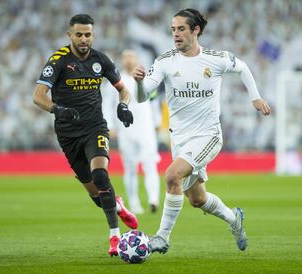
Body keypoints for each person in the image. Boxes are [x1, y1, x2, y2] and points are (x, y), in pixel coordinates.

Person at [133, 8, 271, 253]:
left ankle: (162, 237)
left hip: (208, 136)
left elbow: (242, 67)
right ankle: (233, 219)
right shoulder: (165, 61)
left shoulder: (215, 59)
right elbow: (143, 97)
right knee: (197, 200)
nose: (175, 34)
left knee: (172, 175)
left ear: (196, 30)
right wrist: (140, 83)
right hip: (180, 139)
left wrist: (255, 98)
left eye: (181, 29)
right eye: (173, 29)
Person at [32, 14, 138, 257]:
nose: (83, 39)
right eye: (78, 34)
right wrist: (57, 109)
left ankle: (114, 238)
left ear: (93, 35)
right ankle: (118, 204)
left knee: (101, 176)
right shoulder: (58, 61)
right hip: (68, 135)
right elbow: (38, 96)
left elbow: (124, 90)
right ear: (69, 35)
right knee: (97, 195)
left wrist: (123, 106)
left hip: (95, 128)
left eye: (87, 34)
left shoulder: (101, 60)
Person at [102, 50, 160, 214]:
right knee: (130, 167)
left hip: (146, 128)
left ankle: (153, 199)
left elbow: (154, 101)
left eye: (131, 56)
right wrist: (110, 125)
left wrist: (157, 121)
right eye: (126, 57)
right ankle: (134, 203)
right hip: (125, 128)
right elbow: (107, 104)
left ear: (137, 59)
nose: (128, 59)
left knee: (150, 164)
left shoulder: (146, 79)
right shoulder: (115, 81)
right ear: (122, 60)